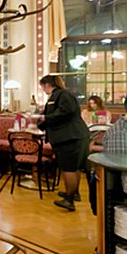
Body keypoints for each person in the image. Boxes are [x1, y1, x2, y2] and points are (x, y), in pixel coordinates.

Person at [37, 75, 91, 212]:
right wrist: (43, 122)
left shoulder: (62, 95)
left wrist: (45, 117)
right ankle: (73, 192)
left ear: (47, 85)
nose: (42, 89)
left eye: (42, 86)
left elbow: (65, 112)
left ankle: (69, 199)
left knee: (69, 168)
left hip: (69, 137)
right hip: (73, 136)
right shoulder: (60, 95)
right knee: (74, 167)